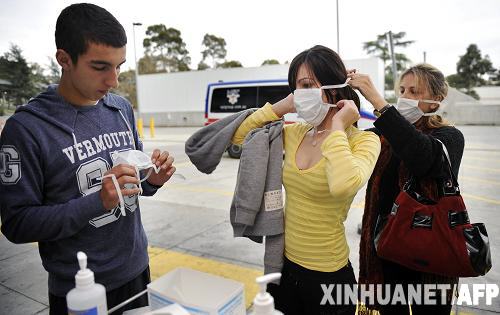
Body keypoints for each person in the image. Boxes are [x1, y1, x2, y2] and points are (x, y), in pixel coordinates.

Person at [0, 3, 176, 314]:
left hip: (136, 270)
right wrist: (96, 202)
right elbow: (16, 224)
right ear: (64, 59)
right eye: (100, 67)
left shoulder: (120, 109)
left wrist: (152, 180)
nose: (114, 80)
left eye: (119, 66)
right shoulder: (27, 128)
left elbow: (131, 185)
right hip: (79, 289)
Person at [230, 45, 381, 314]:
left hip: (329, 277)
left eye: (307, 85)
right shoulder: (297, 132)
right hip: (284, 266)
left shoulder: (364, 140)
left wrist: (337, 127)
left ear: (334, 87)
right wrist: (283, 106)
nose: (300, 94)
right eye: (297, 87)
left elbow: (344, 183)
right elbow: (240, 138)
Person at [349, 63, 464, 315]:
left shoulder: (449, 136)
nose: (404, 97)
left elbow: (422, 156)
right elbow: (350, 140)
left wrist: (379, 102)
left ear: (435, 101)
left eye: (414, 91)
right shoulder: (382, 134)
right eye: (401, 90)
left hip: (432, 256)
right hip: (388, 250)